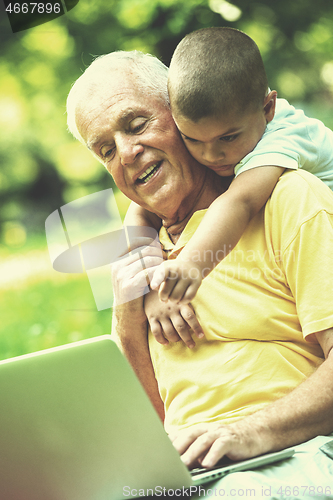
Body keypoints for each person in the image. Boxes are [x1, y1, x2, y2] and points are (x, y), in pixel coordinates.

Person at [66, 50, 333, 494]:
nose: (127, 154)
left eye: (136, 126)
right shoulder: (140, 252)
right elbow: (144, 426)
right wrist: (128, 309)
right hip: (186, 474)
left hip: (294, 453)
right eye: (107, 150)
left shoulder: (288, 196)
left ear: (180, 113)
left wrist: (248, 432)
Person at [125, 28, 333, 350]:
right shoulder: (235, 124)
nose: (210, 156)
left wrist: (191, 264)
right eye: (193, 140)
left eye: (228, 138)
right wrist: (149, 276)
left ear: (268, 109)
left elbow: (241, 201)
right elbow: (138, 209)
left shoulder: (283, 137)